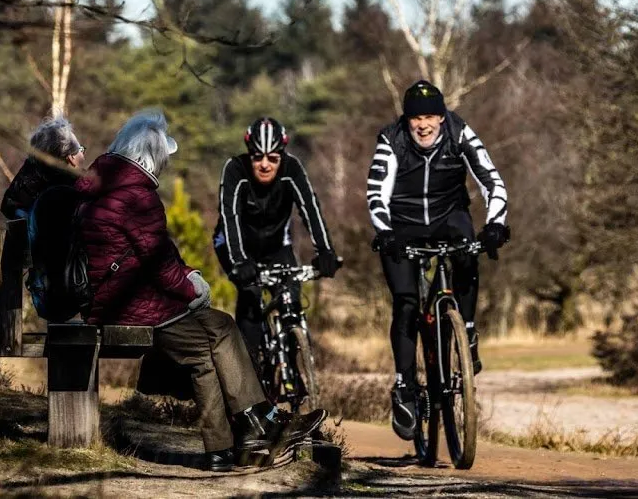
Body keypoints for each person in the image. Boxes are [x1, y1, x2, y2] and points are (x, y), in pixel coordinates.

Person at [75, 110, 325, 471]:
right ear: (151, 156)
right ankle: (261, 422)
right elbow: (160, 264)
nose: (163, 166)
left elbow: (150, 255)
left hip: (111, 299)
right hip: (129, 305)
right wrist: (191, 288)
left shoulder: (103, 182)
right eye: (162, 158)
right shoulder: (136, 195)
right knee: (220, 329)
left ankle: (225, 448)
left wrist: (186, 276)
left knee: (208, 350)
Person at [366, 80, 510, 441]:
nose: (424, 124)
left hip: (450, 216)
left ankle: (468, 331)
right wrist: (385, 233)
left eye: (431, 116)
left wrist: (495, 225)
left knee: (468, 255)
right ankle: (404, 387)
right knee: (406, 302)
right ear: (407, 119)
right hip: (403, 224)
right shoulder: (391, 139)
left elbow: (492, 181)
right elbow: (376, 191)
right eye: (416, 117)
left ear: (442, 118)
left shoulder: (460, 132)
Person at [212, 117, 341, 364]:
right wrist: (240, 261)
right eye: (257, 157)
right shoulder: (235, 169)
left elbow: (310, 209)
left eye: (272, 158)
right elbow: (230, 217)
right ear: (249, 155)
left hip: (276, 245)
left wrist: (325, 250)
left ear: (281, 157)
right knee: (250, 297)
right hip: (234, 244)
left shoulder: (292, 168)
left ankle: (291, 370)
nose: (264, 165)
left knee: (290, 298)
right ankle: (249, 376)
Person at [0, 117, 86, 220]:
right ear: (71, 158)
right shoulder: (82, 184)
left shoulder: (30, 171)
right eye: (81, 149)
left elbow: (9, 204)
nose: (83, 153)